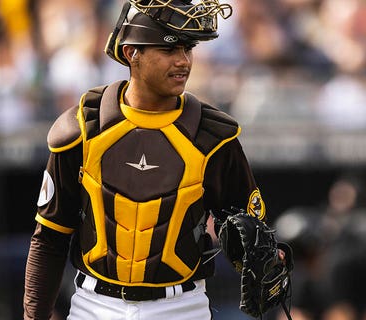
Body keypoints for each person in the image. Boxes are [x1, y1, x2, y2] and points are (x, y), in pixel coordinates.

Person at [23, 1, 273, 319]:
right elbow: (49, 238)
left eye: (188, 49)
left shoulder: (216, 137)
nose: (183, 61)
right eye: (170, 48)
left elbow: (252, 234)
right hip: (94, 306)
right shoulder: (83, 127)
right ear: (131, 53)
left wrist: (257, 253)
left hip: (182, 307)